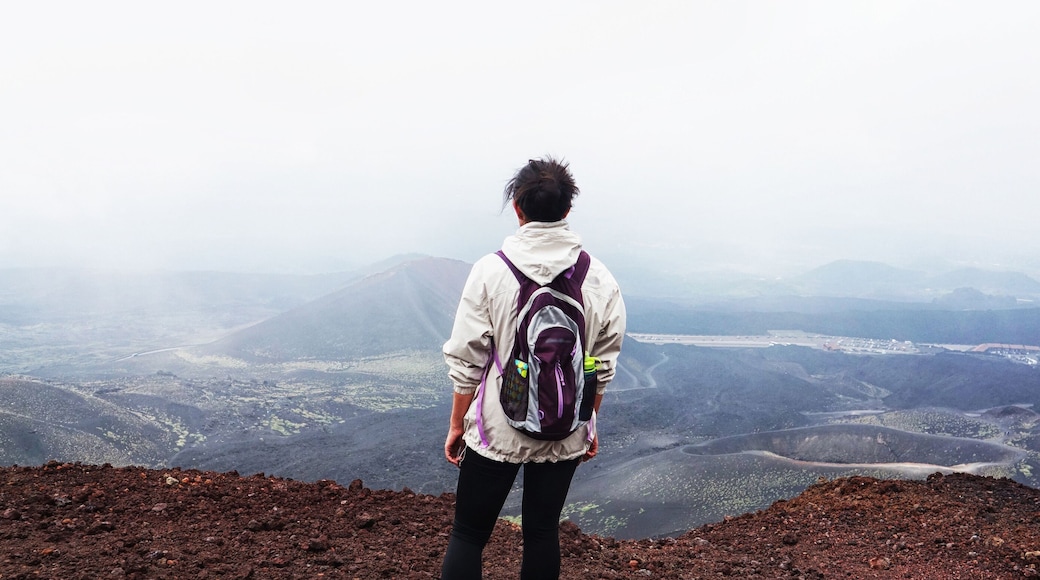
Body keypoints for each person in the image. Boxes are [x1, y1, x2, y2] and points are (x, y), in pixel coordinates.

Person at [440, 156, 626, 579]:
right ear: (567, 210)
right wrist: (589, 421)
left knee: (469, 534)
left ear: (517, 208)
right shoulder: (598, 277)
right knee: (542, 532)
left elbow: (467, 357)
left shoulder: (491, 271)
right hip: (565, 429)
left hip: (496, 426)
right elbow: (602, 361)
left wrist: (457, 425)